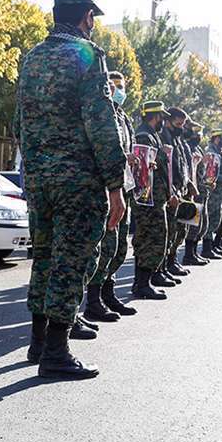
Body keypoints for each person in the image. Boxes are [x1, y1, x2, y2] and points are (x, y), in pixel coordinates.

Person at [16, 0, 125, 379]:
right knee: (72, 260)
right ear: (86, 17)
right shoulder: (86, 55)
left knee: (43, 257)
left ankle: (38, 341)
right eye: (92, 17)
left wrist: (34, 170)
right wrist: (116, 183)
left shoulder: (31, 58)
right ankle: (57, 353)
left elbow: (19, 124)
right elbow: (101, 123)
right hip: (77, 180)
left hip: (41, 180)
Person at [83, 71, 136, 322]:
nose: (118, 90)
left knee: (119, 246)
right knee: (105, 246)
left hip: (123, 185)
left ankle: (108, 293)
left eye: (121, 86)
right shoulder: (101, 113)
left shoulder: (123, 117)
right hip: (106, 188)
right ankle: (93, 301)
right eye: (113, 86)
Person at [130, 101, 174, 299]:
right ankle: (142, 284)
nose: (163, 122)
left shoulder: (152, 136)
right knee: (150, 238)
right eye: (162, 118)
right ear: (155, 116)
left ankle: (143, 282)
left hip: (154, 198)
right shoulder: (144, 136)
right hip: (147, 199)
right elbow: (141, 168)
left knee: (154, 237)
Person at [160, 107, 192, 279]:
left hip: (182, 189)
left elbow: (182, 165)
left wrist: (190, 184)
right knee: (169, 231)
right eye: (179, 123)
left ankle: (171, 263)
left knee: (180, 229)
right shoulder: (163, 136)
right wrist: (172, 191)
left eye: (183, 124)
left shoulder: (178, 139)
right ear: (169, 121)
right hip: (170, 192)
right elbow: (166, 168)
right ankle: (163, 267)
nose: (182, 126)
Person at [200, 129, 222, 258]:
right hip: (213, 191)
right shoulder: (211, 151)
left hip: (220, 191)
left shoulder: (221, 152)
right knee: (210, 219)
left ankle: (213, 246)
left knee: (216, 220)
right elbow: (210, 174)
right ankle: (207, 249)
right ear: (217, 138)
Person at [182, 121, 212, 264]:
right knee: (193, 225)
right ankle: (188, 255)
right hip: (194, 192)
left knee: (201, 224)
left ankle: (193, 253)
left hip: (201, 190)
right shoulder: (187, 147)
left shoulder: (197, 148)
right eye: (197, 133)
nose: (199, 136)